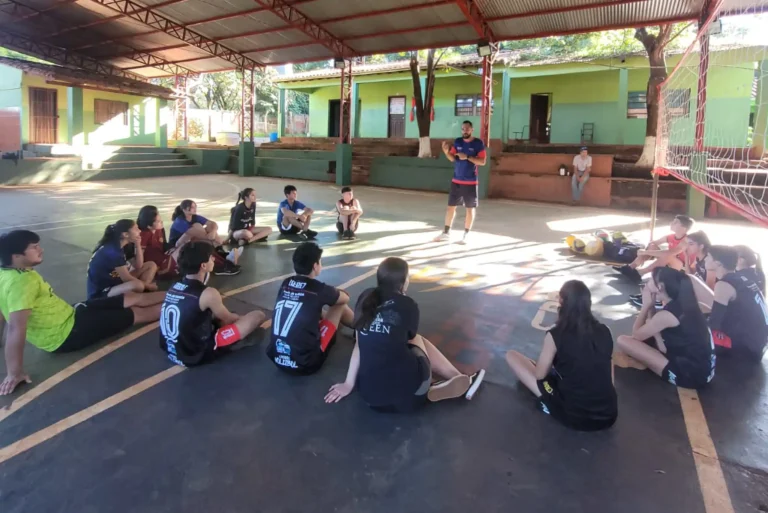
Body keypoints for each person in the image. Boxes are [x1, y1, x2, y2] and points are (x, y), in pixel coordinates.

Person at [0, 230, 163, 395]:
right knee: (134, 313)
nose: (40, 249)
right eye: (34, 247)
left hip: (71, 314)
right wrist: (14, 373)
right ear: (16, 256)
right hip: (66, 334)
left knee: (130, 297)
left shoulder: (6, 272)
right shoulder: (21, 283)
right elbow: (15, 328)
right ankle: (182, 305)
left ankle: (181, 295)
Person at [324, 257, 485, 411]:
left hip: (370, 397)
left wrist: (348, 383)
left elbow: (359, 346)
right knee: (416, 339)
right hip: (409, 398)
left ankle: (437, 382)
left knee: (379, 343)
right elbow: (411, 339)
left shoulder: (365, 297)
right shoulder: (407, 305)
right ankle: (448, 379)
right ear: (403, 282)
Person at [505, 280, 617, 431]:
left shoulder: (556, 335)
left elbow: (539, 376)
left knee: (512, 356)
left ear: (561, 301)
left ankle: (549, 404)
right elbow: (610, 380)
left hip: (575, 416)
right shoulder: (606, 331)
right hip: (608, 415)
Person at [159, 242, 266, 367]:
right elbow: (227, 318)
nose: (214, 259)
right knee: (257, 316)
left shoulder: (174, 286)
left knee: (217, 317)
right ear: (203, 265)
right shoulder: (208, 293)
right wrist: (241, 320)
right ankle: (233, 343)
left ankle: (233, 336)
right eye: (211, 257)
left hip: (171, 350)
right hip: (196, 354)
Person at [615, 267, 716, 389]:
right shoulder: (691, 304)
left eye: (651, 280)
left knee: (623, 340)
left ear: (660, 287)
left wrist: (646, 306)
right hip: (704, 371)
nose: (647, 282)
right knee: (648, 337)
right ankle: (649, 361)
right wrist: (652, 318)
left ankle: (648, 364)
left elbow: (636, 335)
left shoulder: (667, 315)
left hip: (689, 376)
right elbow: (663, 346)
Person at [266, 242, 352, 375]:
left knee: (310, 310)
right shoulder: (319, 289)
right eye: (320, 261)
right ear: (315, 265)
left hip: (276, 358)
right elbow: (345, 298)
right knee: (339, 305)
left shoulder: (286, 283)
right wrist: (335, 292)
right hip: (306, 363)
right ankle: (363, 328)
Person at [690, 245, 768, 360]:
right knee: (699, 308)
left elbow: (714, 324)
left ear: (718, 263)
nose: (705, 259)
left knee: (691, 331)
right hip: (758, 343)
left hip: (745, 348)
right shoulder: (741, 278)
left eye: (709, 257)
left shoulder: (724, 285)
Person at [629, 229, 712, 308]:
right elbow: (689, 275)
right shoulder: (698, 258)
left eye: (691, 244)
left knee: (669, 278)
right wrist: (687, 258)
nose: (687, 247)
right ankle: (652, 296)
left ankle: (657, 299)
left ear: (701, 246)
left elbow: (710, 288)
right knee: (662, 274)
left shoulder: (709, 261)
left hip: (703, 296)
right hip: (694, 287)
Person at [87, 220, 167, 300]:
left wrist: (138, 245)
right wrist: (148, 286)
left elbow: (139, 265)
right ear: (126, 234)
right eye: (136, 229)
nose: (139, 231)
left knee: (151, 265)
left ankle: (141, 294)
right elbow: (126, 278)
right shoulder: (113, 251)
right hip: (102, 292)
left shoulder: (122, 245)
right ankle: (142, 295)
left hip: (115, 280)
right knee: (138, 285)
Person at [435, 120, 486, 245]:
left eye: (467, 129)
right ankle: (446, 233)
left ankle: (466, 234)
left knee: (469, 209)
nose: (465, 131)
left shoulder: (478, 143)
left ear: (472, 130)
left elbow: (482, 162)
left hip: (470, 182)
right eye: (463, 129)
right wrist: (446, 152)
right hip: (456, 180)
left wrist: (467, 157)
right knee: (450, 207)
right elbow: (452, 158)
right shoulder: (458, 142)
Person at [614, 214, 694, 283]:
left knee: (668, 255)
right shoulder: (671, 237)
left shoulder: (686, 240)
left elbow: (669, 253)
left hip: (683, 268)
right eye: (673, 221)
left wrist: (645, 253)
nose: (671, 223)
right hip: (670, 263)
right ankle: (631, 267)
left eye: (675, 222)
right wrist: (648, 250)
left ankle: (640, 273)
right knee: (652, 246)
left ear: (684, 228)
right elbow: (654, 243)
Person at [137, 205, 179, 279]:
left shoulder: (159, 230)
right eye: (158, 221)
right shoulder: (143, 235)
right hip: (157, 265)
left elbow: (164, 245)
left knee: (184, 248)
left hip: (163, 257)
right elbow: (140, 257)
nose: (162, 222)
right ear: (149, 226)